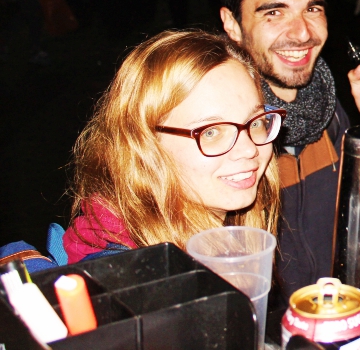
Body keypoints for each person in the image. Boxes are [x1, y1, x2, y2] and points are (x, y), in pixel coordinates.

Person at [214, 0, 360, 298]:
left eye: (312, 8)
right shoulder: (216, 136)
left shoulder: (331, 115)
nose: (302, 32)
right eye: (274, 12)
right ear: (233, 24)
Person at [63, 30, 282, 262]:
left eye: (255, 122)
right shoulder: (133, 276)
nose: (249, 150)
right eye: (211, 132)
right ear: (144, 144)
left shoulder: (212, 233)